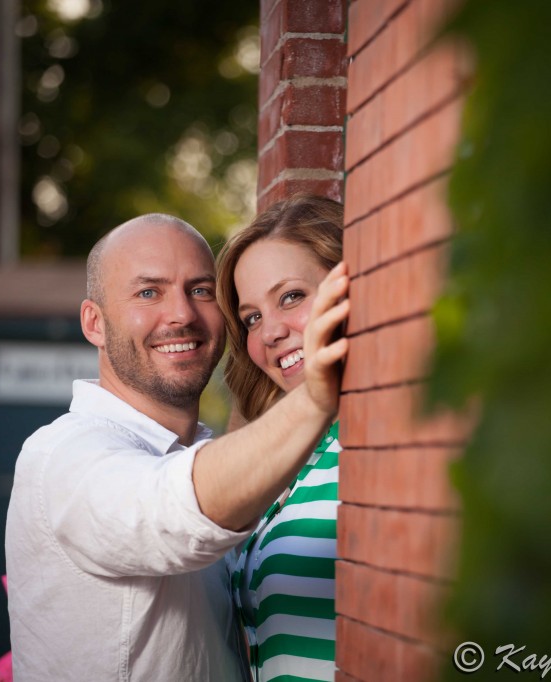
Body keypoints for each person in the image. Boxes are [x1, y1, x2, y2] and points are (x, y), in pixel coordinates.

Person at [4, 212, 349, 681]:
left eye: (201, 290)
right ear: (95, 323)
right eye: (149, 292)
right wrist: (313, 398)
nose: (182, 314)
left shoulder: (218, 455)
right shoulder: (63, 455)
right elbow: (169, 507)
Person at [215, 195, 344, 682]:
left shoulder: (386, 438)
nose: (269, 333)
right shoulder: (301, 451)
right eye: (251, 318)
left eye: (290, 296)